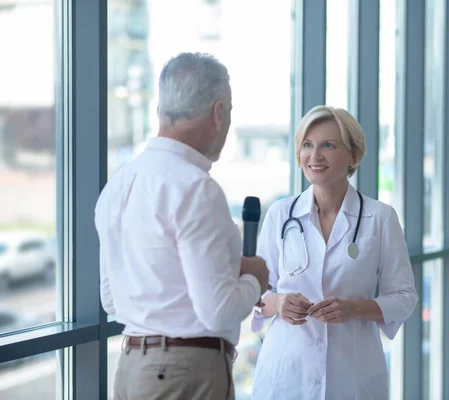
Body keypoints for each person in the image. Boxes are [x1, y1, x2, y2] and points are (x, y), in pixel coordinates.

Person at [95, 52, 270, 400]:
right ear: (219, 113)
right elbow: (218, 310)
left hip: (131, 368)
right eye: (230, 111)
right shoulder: (195, 188)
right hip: (186, 373)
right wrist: (255, 278)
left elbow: (111, 300)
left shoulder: (118, 185)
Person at [250, 105, 419, 399]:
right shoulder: (280, 214)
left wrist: (353, 309)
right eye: (307, 145)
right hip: (287, 373)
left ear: (353, 155)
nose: (314, 156)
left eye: (328, 145)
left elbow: (404, 297)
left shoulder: (380, 217)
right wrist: (278, 303)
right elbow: (255, 295)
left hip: (353, 374)